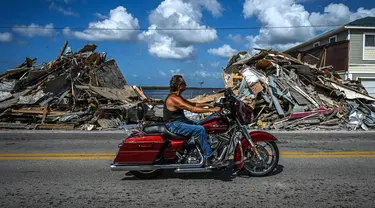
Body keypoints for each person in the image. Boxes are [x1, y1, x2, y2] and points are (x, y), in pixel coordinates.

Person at [163, 75, 221, 166]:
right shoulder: (173, 99)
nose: (186, 85)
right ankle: (209, 158)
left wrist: (209, 104)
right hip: (174, 125)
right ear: (179, 86)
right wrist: (211, 110)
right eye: (184, 83)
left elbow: (193, 104)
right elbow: (192, 109)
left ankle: (196, 148)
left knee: (203, 124)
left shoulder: (177, 96)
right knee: (200, 129)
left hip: (180, 122)